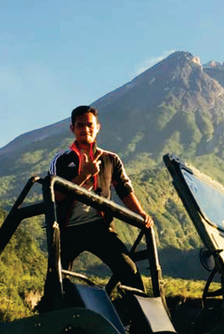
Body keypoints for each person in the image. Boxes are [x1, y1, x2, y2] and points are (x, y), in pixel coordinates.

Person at [49, 105, 154, 290]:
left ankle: (138, 315)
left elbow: (124, 190)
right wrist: (85, 175)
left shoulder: (110, 159)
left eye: (90, 125)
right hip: (68, 229)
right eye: (80, 125)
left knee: (129, 271)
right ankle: (50, 314)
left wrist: (140, 214)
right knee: (55, 281)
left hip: (100, 227)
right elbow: (55, 196)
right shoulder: (61, 161)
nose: (85, 129)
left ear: (98, 127)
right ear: (72, 129)